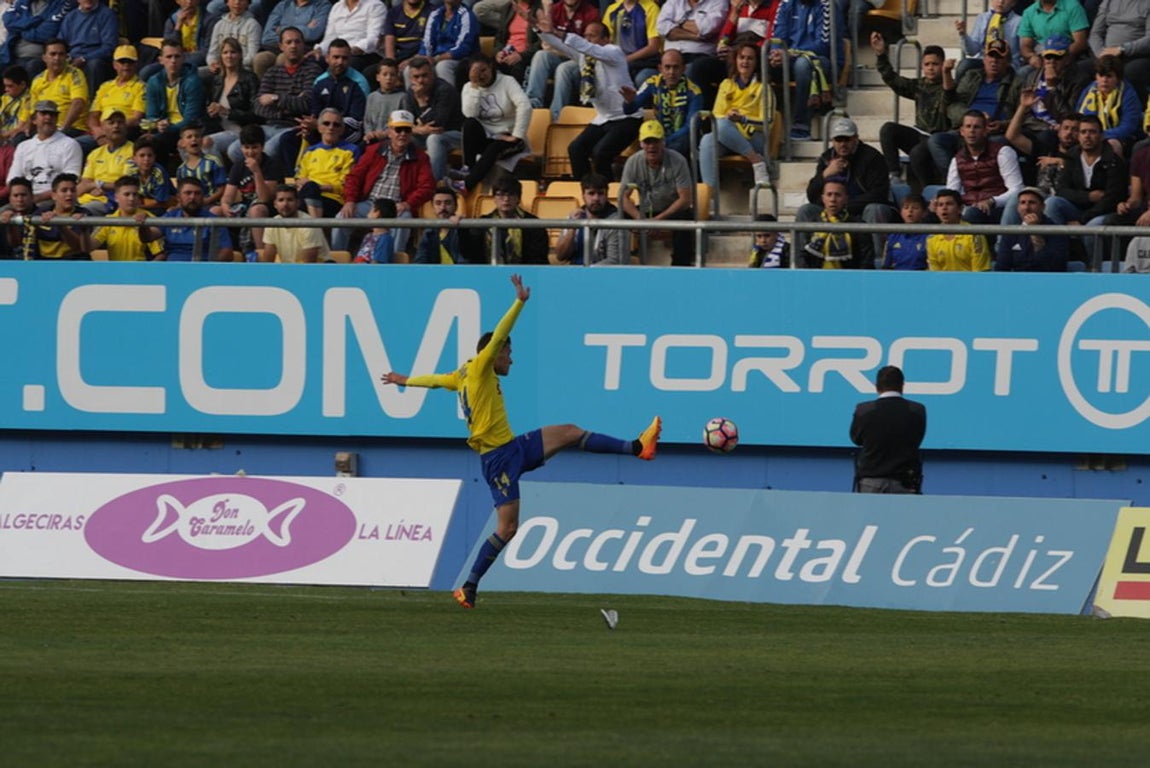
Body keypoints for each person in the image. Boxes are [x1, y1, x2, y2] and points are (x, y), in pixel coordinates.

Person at [381, 273, 662, 609]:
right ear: (495, 353)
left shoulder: (463, 374)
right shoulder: (482, 366)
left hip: (513, 447)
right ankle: (468, 588)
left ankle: (636, 447)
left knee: (570, 431)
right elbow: (498, 334)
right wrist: (519, 301)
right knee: (508, 527)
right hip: (497, 459)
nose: (511, 359)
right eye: (508, 353)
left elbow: (436, 381)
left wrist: (405, 380)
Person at [538, 17, 639, 181]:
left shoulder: (614, 52)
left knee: (600, 153)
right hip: (603, 118)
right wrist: (536, 27)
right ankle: (586, 190)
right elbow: (558, 44)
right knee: (575, 149)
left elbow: (588, 48)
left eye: (593, 36)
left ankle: (606, 193)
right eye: (585, 36)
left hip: (627, 118)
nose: (587, 40)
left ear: (606, 39)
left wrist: (556, 31)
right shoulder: (585, 57)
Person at [334, 108, 433, 254]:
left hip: (397, 206)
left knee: (404, 220)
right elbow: (354, 176)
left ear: (412, 132)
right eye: (398, 129)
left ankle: (394, 264)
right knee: (342, 217)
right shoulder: (374, 150)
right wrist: (350, 200)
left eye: (407, 130)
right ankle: (336, 260)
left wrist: (408, 203)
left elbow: (427, 186)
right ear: (390, 131)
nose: (402, 134)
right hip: (370, 204)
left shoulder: (421, 157)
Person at [798, 116, 895, 261]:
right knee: (806, 210)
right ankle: (802, 261)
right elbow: (812, 195)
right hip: (833, 210)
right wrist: (825, 174)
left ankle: (876, 261)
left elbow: (879, 194)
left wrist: (844, 206)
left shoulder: (872, 157)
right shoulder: (826, 158)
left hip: (861, 211)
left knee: (874, 209)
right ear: (833, 141)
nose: (843, 144)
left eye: (847, 139)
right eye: (839, 140)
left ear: (856, 138)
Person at [871, 32, 948, 191]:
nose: (931, 68)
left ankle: (928, 192)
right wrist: (881, 55)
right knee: (888, 129)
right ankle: (894, 175)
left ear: (943, 65)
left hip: (940, 139)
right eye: (927, 64)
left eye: (935, 64)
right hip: (919, 134)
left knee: (917, 153)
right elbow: (893, 80)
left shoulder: (950, 86)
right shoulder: (919, 85)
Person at [618, 119, 695, 266]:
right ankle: (622, 261)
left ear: (663, 142)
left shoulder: (678, 161)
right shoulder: (633, 162)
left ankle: (680, 266)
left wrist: (658, 220)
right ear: (641, 144)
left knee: (686, 216)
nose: (651, 146)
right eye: (647, 142)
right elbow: (623, 198)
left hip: (671, 210)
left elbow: (685, 199)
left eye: (655, 141)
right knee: (619, 215)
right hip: (646, 211)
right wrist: (641, 220)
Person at [698, 40, 773, 190]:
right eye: (742, 57)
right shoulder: (726, 84)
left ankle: (755, 158)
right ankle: (710, 193)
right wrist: (729, 116)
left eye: (750, 58)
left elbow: (768, 122)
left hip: (754, 137)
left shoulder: (763, 87)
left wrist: (743, 119)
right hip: (728, 135)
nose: (745, 62)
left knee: (721, 125)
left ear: (756, 62)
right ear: (736, 60)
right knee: (707, 139)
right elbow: (716, 114)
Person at [452, 54, 531, 195]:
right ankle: (468, 166)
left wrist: (516, 135)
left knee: (494, 147)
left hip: (509, 137)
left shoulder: (507, 82)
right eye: (476, 72)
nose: (481, 75)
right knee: (470, 124)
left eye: (483, 70)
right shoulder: (469, 87)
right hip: (486, 136)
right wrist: (475, 87)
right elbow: (469, 114)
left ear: (491, 66)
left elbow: (524, 106)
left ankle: (467, 185)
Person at [248, 26, 324, 166]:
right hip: (269, 125)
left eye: (297, 42)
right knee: (235, 150)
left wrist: (275, 98)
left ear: (303, 45)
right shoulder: (272, 72)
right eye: (288, 42)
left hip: (293, 128)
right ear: (281, 46)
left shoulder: (313, 71)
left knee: (267, 150)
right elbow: (258, 106)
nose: (293, 46)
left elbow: (306, 104)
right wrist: (288, 107)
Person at [768, 0, 844, 141]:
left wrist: (790, 53)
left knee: (803, 64)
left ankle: (802, 124)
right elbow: (778, 37)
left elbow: (823, 46)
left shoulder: (827, 5)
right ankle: (760, 127)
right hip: (790, 58)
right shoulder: (786, 4)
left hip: (823, 61)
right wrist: (775, 54)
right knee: (760, 62)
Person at [849, 364, 926, 495]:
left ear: (876, 386)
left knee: (868, 515)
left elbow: (856, 439)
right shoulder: (917, 410)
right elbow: (917, 439)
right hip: (905, 482)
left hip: (871, 481)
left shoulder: (864, 410)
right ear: (902, 385)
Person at [939, 109, 1024, 225]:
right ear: (962, 131)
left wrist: (992, 201)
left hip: (997, 208)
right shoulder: (957, 160)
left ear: (985, 131)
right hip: (969, 207)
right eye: (968, 127)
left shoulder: (1003, 152)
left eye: (976, 127)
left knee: (972, 213)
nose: (971, 131)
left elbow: (1016, 190)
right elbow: (952, 192)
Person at [215, 122, 283, 259]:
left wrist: (256, 171)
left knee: (256, 210)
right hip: (245, 207)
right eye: (246, 148)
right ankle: (220, 254)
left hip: (269, 209)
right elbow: (228, 195)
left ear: (262, 147)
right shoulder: (238, 166)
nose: (250, 152)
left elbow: (265, 198)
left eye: (254, 148)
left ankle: (261, 255)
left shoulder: (272, 165)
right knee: (215, 211)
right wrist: (225, 205)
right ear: (241, 147)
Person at [621, 49, 703, 160]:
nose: (671, 72)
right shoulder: (652, 83)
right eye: (667, 67)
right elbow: (629, 110)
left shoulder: (694, 91)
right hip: (659, 137)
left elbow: (691, 126)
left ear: (683, 69)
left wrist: (665, 141)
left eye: (676, 67)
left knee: (673, 146)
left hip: (683, 139)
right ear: (660, 69)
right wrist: (629, 101)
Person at [524, 0, 600, 114]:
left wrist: (558, 48)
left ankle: (556, 115)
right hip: (559, 55)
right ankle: (532, 106)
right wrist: (547, 10)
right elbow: (546, 43)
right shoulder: (555, 9)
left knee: (564, 68)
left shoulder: (591, 13)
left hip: (580, 60)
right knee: (541, 55)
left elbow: (588, 47)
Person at [143, 39, 206, 170]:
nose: (173, 61)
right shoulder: (154, 82)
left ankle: (163, 178)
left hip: (188, 129)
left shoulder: (193, 81)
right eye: (169, 56)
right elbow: (151, 115)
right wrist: (157, 124)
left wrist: (169, 128)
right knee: (145, 141)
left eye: (177, 56)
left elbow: (191, 119)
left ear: (183, 58)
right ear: (161, 60)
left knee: (157, 141)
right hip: (165, 129)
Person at [399, 55, 462, 182]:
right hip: (424, 134)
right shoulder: (410, 93)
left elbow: (436, 125)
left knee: (434, 139)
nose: (421, 80)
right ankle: (404, 180)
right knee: (399, 137)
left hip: (453, 134)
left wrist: (421, 102)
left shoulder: (444, 90)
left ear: (432, 74)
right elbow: (404, 123)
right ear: (410, 78)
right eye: (416, 77)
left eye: (424, 75)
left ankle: (435, 183)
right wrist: (417, 130)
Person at [7, 99, 82, 205]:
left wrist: (38, 197)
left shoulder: (70, 144)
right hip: (24, 199)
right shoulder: (23, 146)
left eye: (52, 115)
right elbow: (13, 179)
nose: (48, 117)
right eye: (43, 114)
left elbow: (71, 181)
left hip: (55, 200)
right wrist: (24, 197)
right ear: (34, 119)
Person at [203, 36, 262, 164]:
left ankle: (219, 180)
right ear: (221, 56)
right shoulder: (217, 80)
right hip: (221, 129)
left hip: (242, 131)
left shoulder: (249, 79)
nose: (229, 56)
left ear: (240, 55)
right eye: (225, 52)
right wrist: (211, 110)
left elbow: (256, 113)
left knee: (207, 142)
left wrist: (227, 112)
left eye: (233, 52)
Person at [294, 107, 360, 219]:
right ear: (319, 127)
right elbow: (299, 179)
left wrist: (319, 187)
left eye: (336, 125)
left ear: (342, 129)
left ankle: (315, 227)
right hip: (307, 194)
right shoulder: (310, 151)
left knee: (308, 193)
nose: (331, 127)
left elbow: (346, 184)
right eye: (326, 123)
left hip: (333, 198)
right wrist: (310, 187)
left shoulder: (351, 150)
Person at [469, 173, 548, 263]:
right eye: (500, 194)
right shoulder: (482, 223)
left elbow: (539, 259)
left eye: (511, 194)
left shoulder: (533, 224)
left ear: (518, 198)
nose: (506, 199)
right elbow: (470, 253)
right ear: (494, 198)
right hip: (489, 274)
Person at [553, 171, 625, 265]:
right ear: (583, 195)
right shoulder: (575, 217)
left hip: (601, 276)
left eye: (600, 193)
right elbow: (560, 256)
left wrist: (586, 272)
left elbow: (614, 261)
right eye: (591, 193)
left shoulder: (616, 221)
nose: (596, 198)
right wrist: (572, 228)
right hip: (575, 273)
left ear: (606, 195)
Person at [1075, 54, 1142, 155]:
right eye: (1101, 76)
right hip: (1091, 134)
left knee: (1112, 145)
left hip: (1120, 138)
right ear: (1096, 76)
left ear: (1118, 78)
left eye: (1109, 76)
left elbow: (1129, 126)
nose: (1104, 80)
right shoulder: (1089, 90)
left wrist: (1101, 135)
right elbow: (1078, 115)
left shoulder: (1128, 94)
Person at [800, 178, 874, 268]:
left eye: (837, 195)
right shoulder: (812, 224)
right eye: (829, 195)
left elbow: (866, 261)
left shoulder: (858, 226)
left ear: (846, 198)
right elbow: (802, 257)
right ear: (823, 198)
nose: (833, 199)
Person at [90, 175, 166, 260]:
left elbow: (161, 255)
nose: (131, 198)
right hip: (115, 272)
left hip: (140, 271)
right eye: (127, 194)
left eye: (135, 194)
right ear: (116, 197)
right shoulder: (108, 220)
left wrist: (146, 271)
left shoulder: (149, 219)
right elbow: (89, 247)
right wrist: (83, 228)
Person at [995, 186, 1070, 270]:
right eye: (1023, 203)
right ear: (1018, 208)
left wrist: (1035, 233)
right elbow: (1001, 266)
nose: (1026, 208)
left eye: (1032, 202)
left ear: (1043, 207)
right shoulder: (1011, 232)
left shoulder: (1056, 231)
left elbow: (1056, 266)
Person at [161, 176, 234, 260]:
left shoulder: (214, 220)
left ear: (203, 196)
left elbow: (227, 252)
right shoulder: (170, 216)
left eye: (197, 193)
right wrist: (143, 219)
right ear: (178, 197)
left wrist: (208, 268)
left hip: (202, 268)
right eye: (188, 193)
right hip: (171, 269)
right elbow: (149, 236)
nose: (192, 197)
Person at [27, 38, 89, 138]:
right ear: (44, 57)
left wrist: (63, 128)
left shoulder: (75, 74)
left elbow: (78, 103)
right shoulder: (37, 80)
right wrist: (28, 129)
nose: (57, 58)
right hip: (45, 129)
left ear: (66, 57)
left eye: (61, 54)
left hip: (71, 128)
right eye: (53, 54)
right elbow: (33, 110)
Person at [1088, 0, 1150, 98]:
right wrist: (1101, 54)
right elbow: (1095, 33)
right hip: (1105, 55)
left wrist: (1122, 49)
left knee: (1131, 72)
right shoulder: (1109, 2)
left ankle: (1134, 109)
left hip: (1135, 57)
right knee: (1080, 69)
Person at [75, 109, 132, 213]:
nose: (116, 126)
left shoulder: (133, 152)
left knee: (81, 213)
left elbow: (126, 185)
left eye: (120, 122)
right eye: (111, 123)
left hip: (111, 201)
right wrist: (97, 185)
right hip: (86, 198)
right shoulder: (95, 153)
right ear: (102, 128)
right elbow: (85, 183)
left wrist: (98, 185)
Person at [59, 0, 119, 99]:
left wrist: (84, 58)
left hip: (96, 58)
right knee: (53, 60)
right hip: (72, 57)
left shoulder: (107, 14)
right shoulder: (70, 17)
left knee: (94, 65)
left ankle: (92, 103)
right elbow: (61, 42)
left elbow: (109, 46)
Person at [87, 45, 146, 141]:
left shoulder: (141, 87)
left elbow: (136, 118)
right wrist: (97, 131)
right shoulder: (105, 86)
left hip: (123, 132)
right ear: (114, 65)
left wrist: (112, 128)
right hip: (101, 133)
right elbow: (93, 115)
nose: (126, 65)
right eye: (122, 62)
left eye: (130, 62)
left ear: (136, 65)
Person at [262, 182, 330, 262]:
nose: (285, 204)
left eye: (290, 200)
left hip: (321, 271)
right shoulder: (272, 224)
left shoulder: (309, 224)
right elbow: (267, 262)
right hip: (290, 270)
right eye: (281, 200)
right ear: (275, 204)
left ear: (298, 203)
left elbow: (309, 265)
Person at [926, 188, 991, 271]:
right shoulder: (932, 238)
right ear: (936, 210)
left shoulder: (974, 236)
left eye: (949, 204)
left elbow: (979, 274)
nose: (944, 208)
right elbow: (934, 274)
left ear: (960, 209)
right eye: (940, 205)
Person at [955, 0, 1023, 78]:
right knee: (965, 65)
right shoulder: (982, 18)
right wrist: (963, 35)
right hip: (984, 61)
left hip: (1007, 63)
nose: (1001, 2)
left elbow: (1023, 49)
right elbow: (972, 51)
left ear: (1013, 3)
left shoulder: (1019, 21)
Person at [315, 0, 386, 74]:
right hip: (339, 52)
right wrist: (319, 49)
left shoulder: (375, 5)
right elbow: (330, 37)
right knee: (314, 60)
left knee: (347, 64)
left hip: (365, 54)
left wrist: (350, 50)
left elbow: (374, 38)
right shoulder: (337, 7)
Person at [32, 171, 91, 259]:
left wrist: (60, 224)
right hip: (44, 265)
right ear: (53, 195)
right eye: (64, 190)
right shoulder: (40, 214)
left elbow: (79, 248)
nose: (69, 194)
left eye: (73, 190)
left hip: (73, 263)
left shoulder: (83, 215)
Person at [419, 0, 479, 87]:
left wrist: (437, 59)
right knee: (413, 68)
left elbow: (463, 48)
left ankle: (448, 99)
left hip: (461, 59)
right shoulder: (435, 14)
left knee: (443, 66)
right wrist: (425, 58)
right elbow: (427, 43)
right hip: (436, 58)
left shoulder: (467, 15)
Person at [1018, 0, 1090, 70]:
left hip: (1068, 56)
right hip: (1041, 58)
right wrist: (1031, 57)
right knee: (1022, 72)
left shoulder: (1073, 6)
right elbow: (1025, 45)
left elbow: (1080, 42)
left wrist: (1060, 58)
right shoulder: (1028, 12)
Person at [175, 122, 227, 207]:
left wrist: (206, 201)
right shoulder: (181, 170)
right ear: (182, 143)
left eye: (197, 136)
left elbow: (222, 189)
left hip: (211, 204)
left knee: (216, 210)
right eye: (189, 137)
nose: (194, 139)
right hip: (190, 206)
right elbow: (181, 194)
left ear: (202, 140)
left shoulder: (213, 161)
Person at [413, 182, 466, 263]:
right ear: (433, 207)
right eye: (438, 203)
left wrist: (462, 228)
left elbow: (470, 257)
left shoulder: (465, 227)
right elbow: (420, 261)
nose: (443, 207)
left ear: (456, 206)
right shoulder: (429, 232)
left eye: (447, 203)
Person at [363, 58, 407, 144]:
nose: (388, 78)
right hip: (373, 138)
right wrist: (369, 133)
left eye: (392, 75)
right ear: (378, 77)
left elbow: (402, 122)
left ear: (397, 77)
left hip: (392, 139)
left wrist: (386, 133)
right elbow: (367, 121)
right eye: (385, 74)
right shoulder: (371, 97)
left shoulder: (403, 97)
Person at [127, 135, 174, 213]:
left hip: (164, 207)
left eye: (150, 155)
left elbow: (161, 203)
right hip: (144, 206)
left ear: (154, 157)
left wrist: (140, 207)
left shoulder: (159, 172)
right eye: (142, 155)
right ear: (134, 158)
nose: (146, 159)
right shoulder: (131, 172)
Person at [881, 193, 929, 269]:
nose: (910, 211)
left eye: (915, 208)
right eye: (906, 208)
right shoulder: (893, 237)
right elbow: (886, 266)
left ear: (924, 213)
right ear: (901, 212)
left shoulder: (929, 238)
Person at [382, 0, 431, 71]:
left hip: (419, 53)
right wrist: (391, 64)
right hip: (399, 54)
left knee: (407, 70)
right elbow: (389, 39)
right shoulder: (393, 13)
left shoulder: (432, 12)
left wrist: (412, 60)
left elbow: (429, 44)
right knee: (371, 72)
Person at [0, 177, 36, 258]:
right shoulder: (2, 216)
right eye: (15, 196)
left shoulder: (42, 215)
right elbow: (14, 245)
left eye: (23, 195)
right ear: (9, 198)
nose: (20, 199)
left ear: (32, 196)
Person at [353, 197, 396, 263]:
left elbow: (377, 265)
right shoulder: (368, 236)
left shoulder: (385, 239)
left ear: (377, 213)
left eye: (370, 210)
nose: (367, 214)